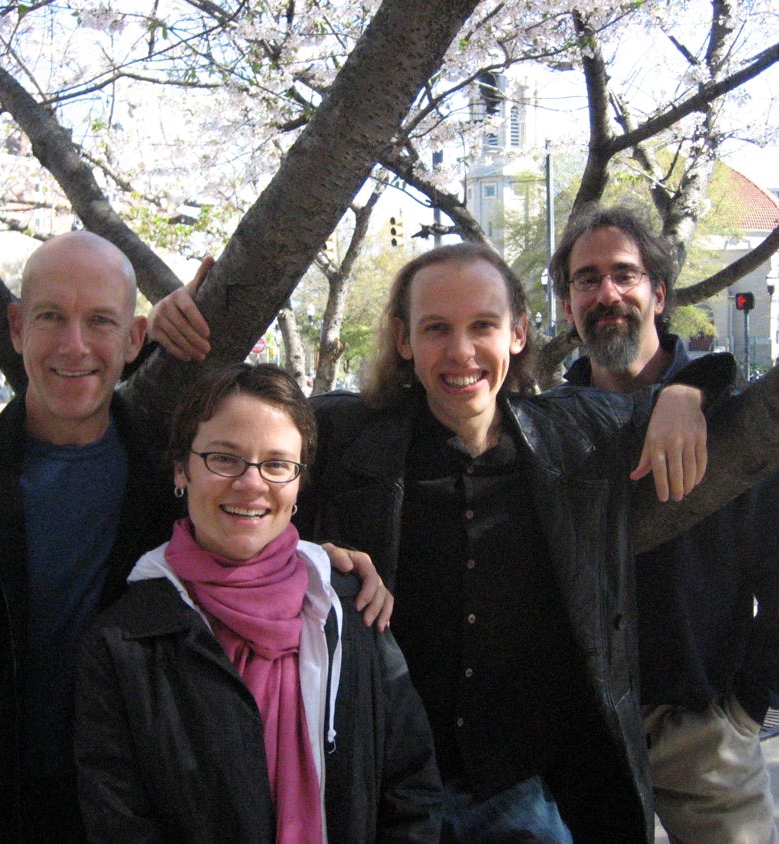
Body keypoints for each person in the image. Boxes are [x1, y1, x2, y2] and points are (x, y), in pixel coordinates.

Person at [148, 241, 735, 842]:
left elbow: (709, 392)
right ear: (404, 341)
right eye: (436, 329)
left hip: (521, 792)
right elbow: (230, 439)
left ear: (518, 333)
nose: (461, 352)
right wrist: (160, 337)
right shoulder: (346, 437)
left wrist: (686, 393)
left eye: (482, 325)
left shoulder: (576, 436)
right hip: (383, 795)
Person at [0, 232, 390, 843]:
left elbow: (245, 536)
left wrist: (318, 561)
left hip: (140, 807)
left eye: (100, 320)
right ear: (16, 328)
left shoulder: (164, 480)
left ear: (133, 338)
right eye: (51, 318)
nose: (75, 345)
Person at [74, 362, 443, 842]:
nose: (251, 484)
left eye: (277, 464)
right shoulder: (122, 646)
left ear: (298, 485)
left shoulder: (350, 610)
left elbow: (411, 788)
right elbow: (121, 825)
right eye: (224, 459)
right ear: (181, 469)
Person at [550, 202, 779, 844]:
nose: (606, 294)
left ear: (659, 292)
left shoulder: (729, 416)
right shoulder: (547, 431)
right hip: (583, 736)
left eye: (624, 274)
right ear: (567, 304)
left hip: (706, 731)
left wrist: (747, 704)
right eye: (586, 279)